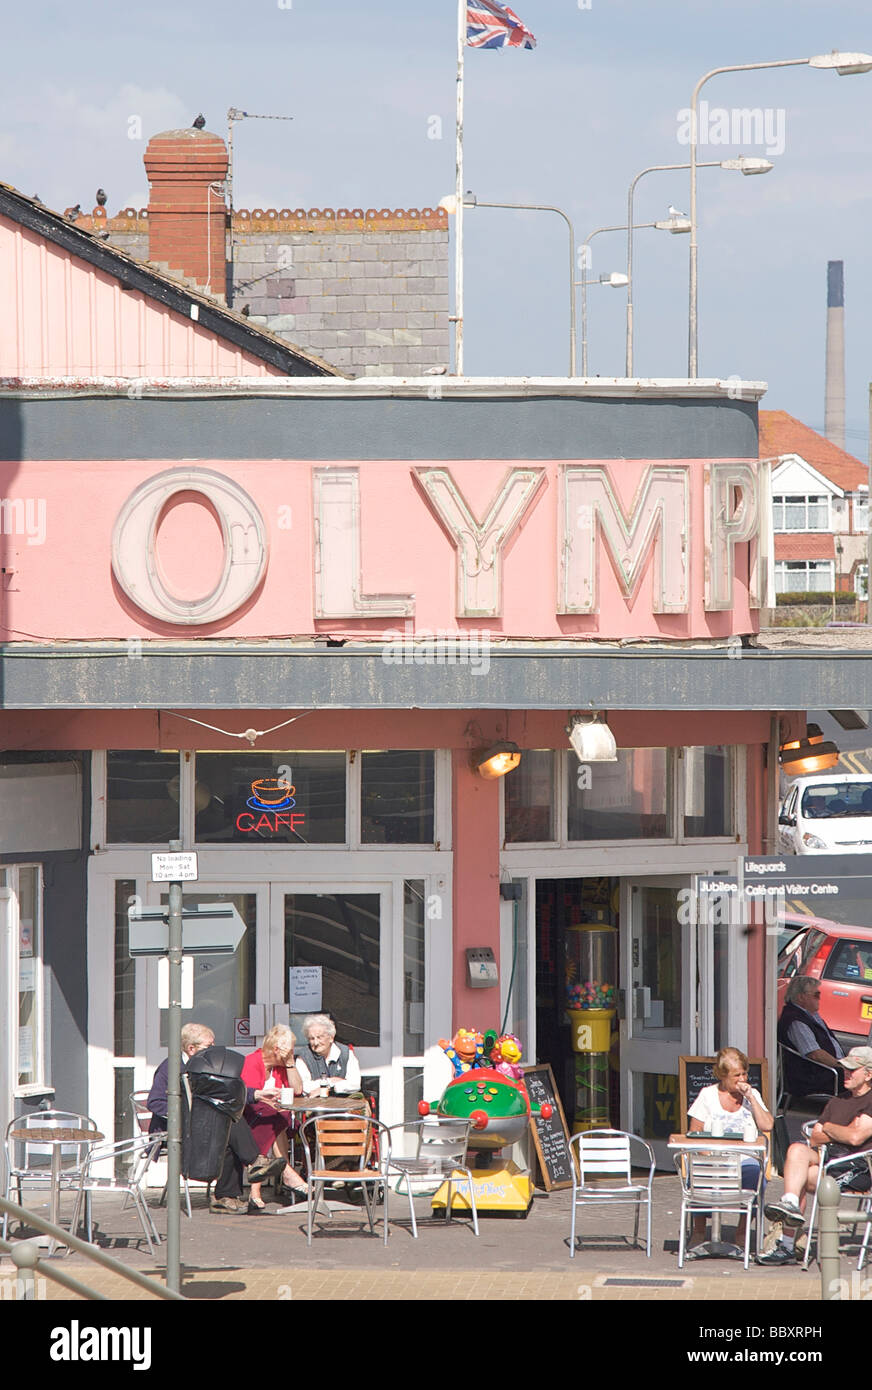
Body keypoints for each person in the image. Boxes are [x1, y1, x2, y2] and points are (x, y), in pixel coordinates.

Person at [146, 1022, 283, 1215]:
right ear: (191, 1049)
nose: (212, 1051)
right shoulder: (171, 1067)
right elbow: (155, 1102)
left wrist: (257, 1094)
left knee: (227, 1122)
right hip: (177, 1129)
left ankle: (226, 1196)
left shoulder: (205, 1066)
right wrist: (187, 1115)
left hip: (205, 1124)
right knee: (226, 1119)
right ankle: (252, 1165)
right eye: (208, 1047)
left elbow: (226, 1091)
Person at [759, 1046, 872, 1265]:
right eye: (845, 1069)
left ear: (868, 1074)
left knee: (799, 1175)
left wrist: (828, 1128)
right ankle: (790, 1203)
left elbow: (857, 1138)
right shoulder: (838, 1100)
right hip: (827, 1162)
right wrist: (840, 1130)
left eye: (852, 1070)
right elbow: (814, 1138)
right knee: (796, 1150)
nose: (846, 1074)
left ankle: (787, 1246)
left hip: (855, 1168)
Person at [681, 1047, 774, 1250]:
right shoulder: (708, 1095)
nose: (742, 1079)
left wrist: (751, 1099)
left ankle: (741, 1231)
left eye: (744, 1073)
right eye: (736, 1075)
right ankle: (698, 1231)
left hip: (743, 1161)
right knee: (699, 1171)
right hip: (712, 1159)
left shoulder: (752, 1094)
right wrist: (710, 1158)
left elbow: (767, 1126)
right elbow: (694, 1133)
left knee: (757, 1174)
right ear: (723, 1076)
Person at [240, 1024, 307, 1208]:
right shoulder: (252, 1062)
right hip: (247, 1118)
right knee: (275, 1118)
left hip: (271, 1119)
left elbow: (298, 1090)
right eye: (289, 1051)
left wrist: (290, 1063)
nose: (291, 1054)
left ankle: (255, 1192)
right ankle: (287, 1172)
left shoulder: (281, 1067)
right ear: (277, 1050)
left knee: (277, 1119)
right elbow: (249, 1098)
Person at [777, 975, 845, 1099]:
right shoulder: (795, 1021)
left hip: (824, 1071)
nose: (819, 999)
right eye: (816, 995)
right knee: (863, 1078)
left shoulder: (810, 1015)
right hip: (813, 1076)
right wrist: (842, 1065)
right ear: (801, 997)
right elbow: (814, 1054)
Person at [295, 1013, 362, 1096]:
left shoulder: (346, 1053)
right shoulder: (303, 1056)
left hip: (342, 1106)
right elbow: (304, 1087)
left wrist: (329, 1087)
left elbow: (355, 1084)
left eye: (319, 1037)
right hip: (314, 1106)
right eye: (312, 1038)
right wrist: (331, 1081)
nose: (315, 1042)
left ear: (331, 1037)